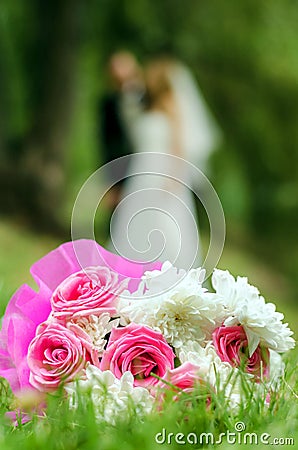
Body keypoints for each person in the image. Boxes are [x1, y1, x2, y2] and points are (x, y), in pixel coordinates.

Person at [109, 57, 219, 268]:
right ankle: (131, 269)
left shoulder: (172, 108)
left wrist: (174, 177)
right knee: (135, 224)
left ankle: (167, 271)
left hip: (163, 174)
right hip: (141, 174)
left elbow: (179, 146)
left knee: (165, 225)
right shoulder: (145, 107)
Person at [98, 51, 145, 209]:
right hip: (121, 166)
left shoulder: (151, 96)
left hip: (149, 162)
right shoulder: (108, 103)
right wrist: (110, 181)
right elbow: (106, 142)